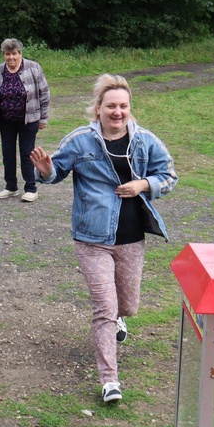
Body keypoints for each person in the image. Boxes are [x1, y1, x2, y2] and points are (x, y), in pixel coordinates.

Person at [30, 74, 177, 404]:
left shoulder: (146, 141)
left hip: (131, 238)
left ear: (129, 109)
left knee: (127, 305)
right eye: (111, 106)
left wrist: (143, 185)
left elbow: (169, 176)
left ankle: (119, 317)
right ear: (98, 109)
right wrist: (44, 170)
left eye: (123, 106)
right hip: (91, 238)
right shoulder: (81, 141)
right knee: (105, 308)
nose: (117, 112)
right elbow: (55, 173)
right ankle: (110, 380)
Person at [0, 38, 50, 203]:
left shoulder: (33, 68)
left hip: (29, 120)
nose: (11, 58)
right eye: (7, 54)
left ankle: (31, 188)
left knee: (27, 154)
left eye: (14, 54)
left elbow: (44, 94)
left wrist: (43, 118)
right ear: (4, 55)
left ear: (20, 54)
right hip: (5, 120)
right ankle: (11, 187)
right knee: (8, 154)